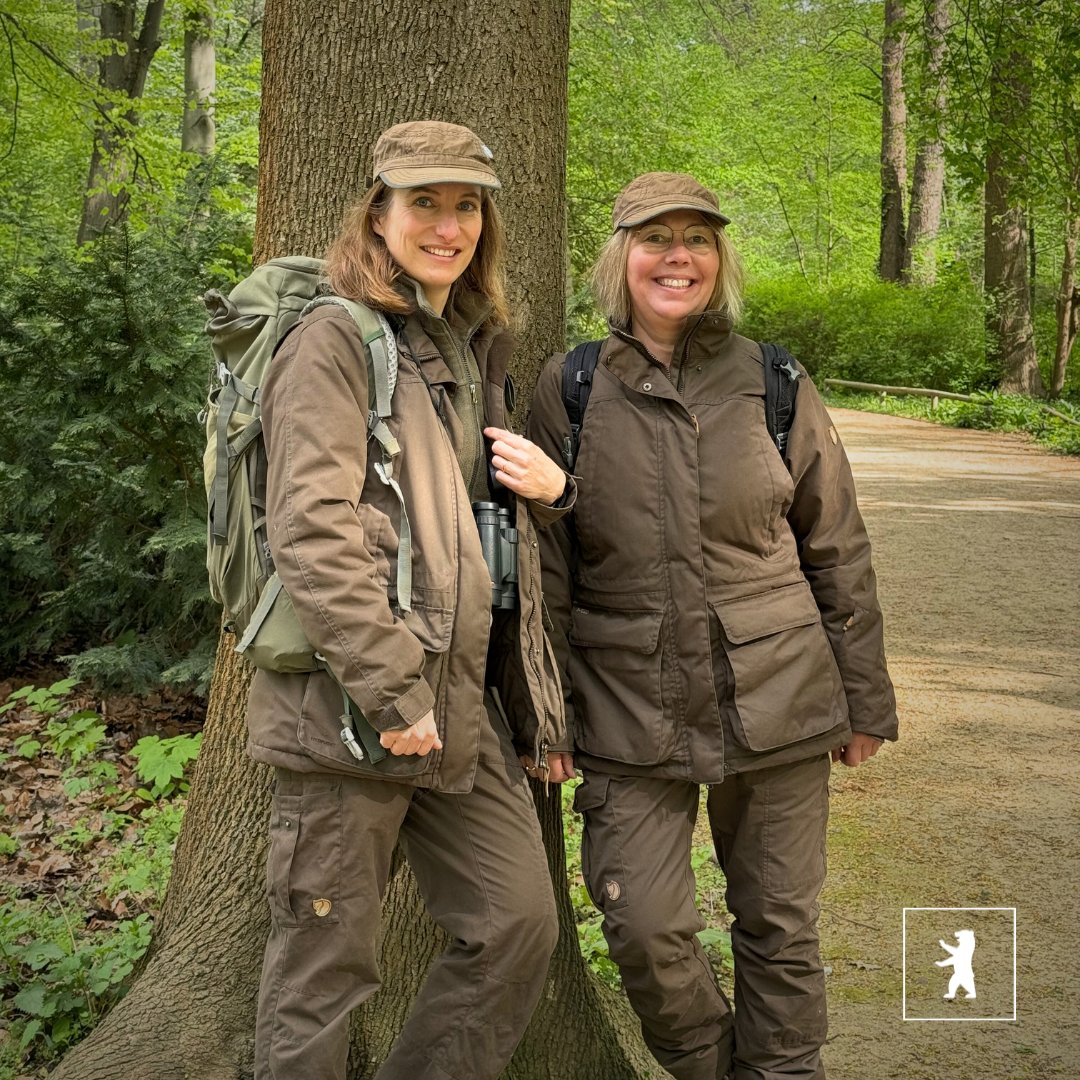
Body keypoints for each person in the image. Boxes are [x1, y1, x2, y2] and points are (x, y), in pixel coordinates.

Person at [526, 172, 898, 1080]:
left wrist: (865, 701)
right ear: (622, 258)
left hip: (779, 696)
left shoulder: (774, 381)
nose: (677, 256)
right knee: (643, 925)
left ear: (718, 260)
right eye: (656, 238)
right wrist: (545, 714)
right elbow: (544, 572)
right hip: (625, 705)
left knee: (778, 923)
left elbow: (835, 543)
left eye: (696, 238)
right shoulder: (571, 387)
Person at [248, 120, 573, 1080]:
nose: (447, 223)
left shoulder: (473, 347)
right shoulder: (333, 341)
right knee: (321, 970)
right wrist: (395, 692)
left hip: (458, 715)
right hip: (354, 716)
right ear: (377, 212)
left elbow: (480, 547)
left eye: (466, 204)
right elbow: (311, 532)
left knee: (518, 926)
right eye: (423, 202)